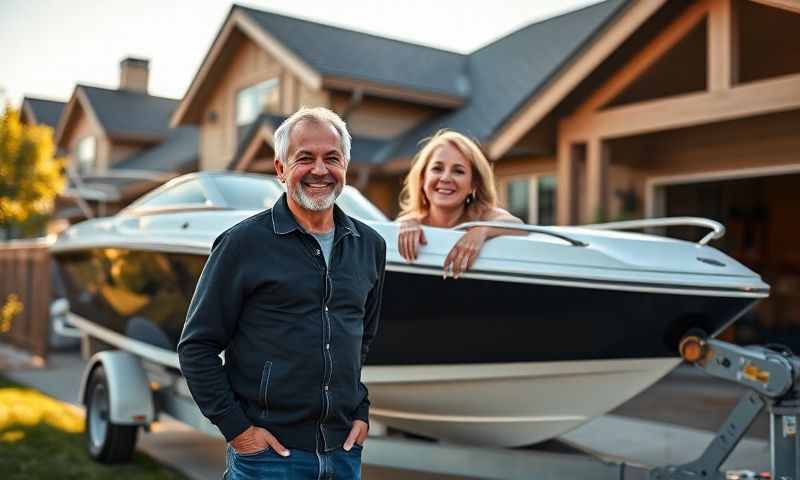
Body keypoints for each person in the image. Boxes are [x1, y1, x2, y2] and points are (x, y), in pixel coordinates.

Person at [177, 107, 386, 480]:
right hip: (269, 458)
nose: (320, 170)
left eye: (332, 158)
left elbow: (361, 340)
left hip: (344, 454)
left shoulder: (370, 246)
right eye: (304, 158)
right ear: (280, 169)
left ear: (346, 167)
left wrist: (361, 412)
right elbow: (197, 347)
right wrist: (238, 431)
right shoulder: (243, 244)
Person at [396, 130, 523, 278]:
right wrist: (406, 223)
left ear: (473, 184)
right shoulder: (409, 224)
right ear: (423, 178)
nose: (445, 178)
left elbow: (517, 225)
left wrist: (481, 231)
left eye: (458, 171)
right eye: (437, 168)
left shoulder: (482, 216)